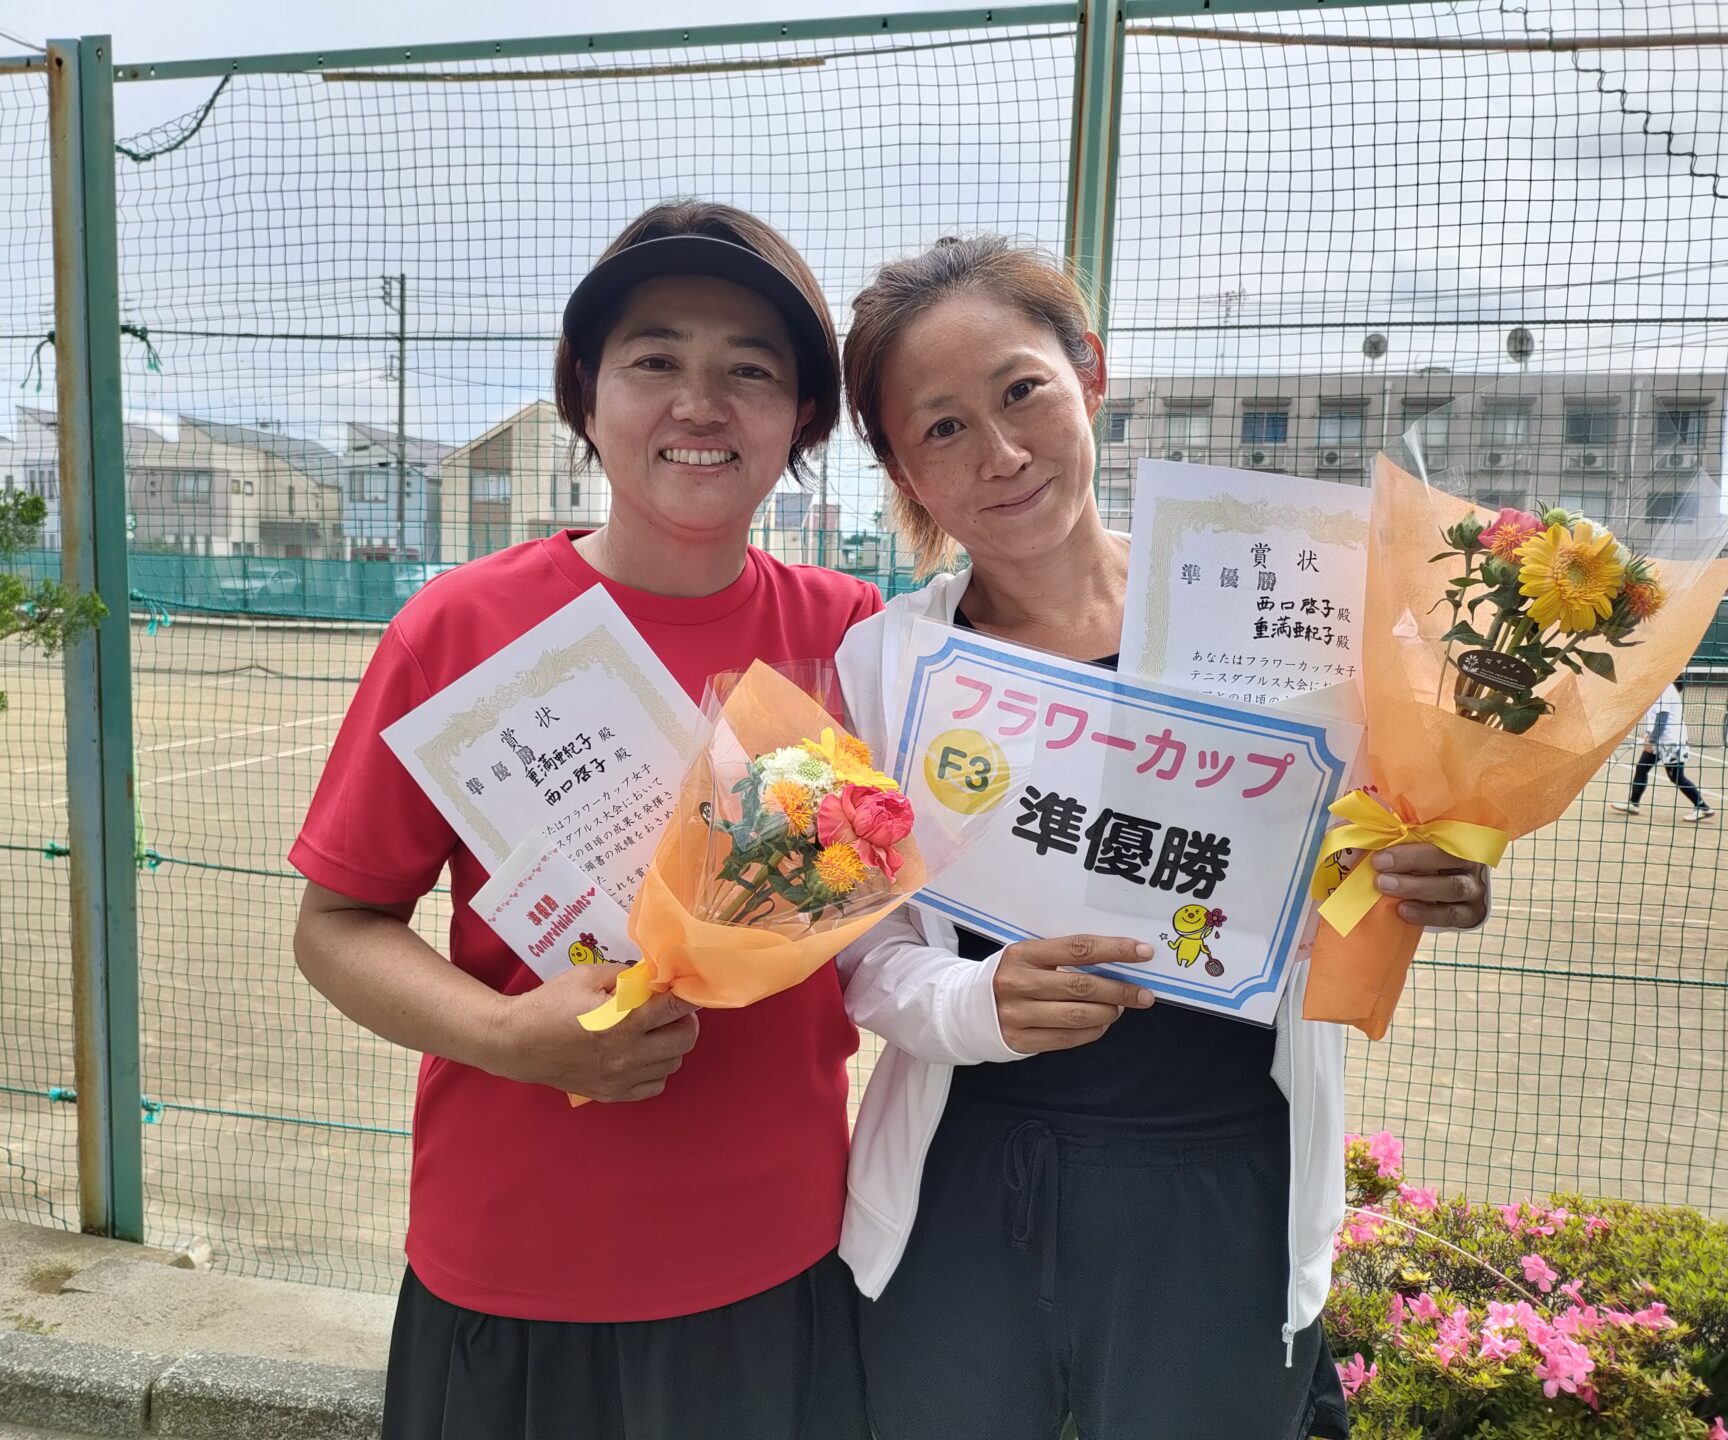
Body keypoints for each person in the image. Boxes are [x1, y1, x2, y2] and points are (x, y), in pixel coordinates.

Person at [830, 236, 1492, 1440]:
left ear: (1090, 372)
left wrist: (1431, 869)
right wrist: (975, 1003)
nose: (1000, 453)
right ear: (901, 468)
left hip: (1224, 1172)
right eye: (943, 428)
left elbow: (1358, 860)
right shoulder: (883, 666)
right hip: (967, 1176)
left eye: (1022, 391)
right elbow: (862, 954)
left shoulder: (1279, 613)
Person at [290, 201, 879, 1440]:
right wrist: (510, 1035)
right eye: (655, 359)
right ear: (586, 395)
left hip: (778, 1259)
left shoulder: (854, 635)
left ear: (803, 418)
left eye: (751, 371)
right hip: (514, 1261)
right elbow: (337, 925)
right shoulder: (460, 631)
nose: (700, 404)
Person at [1611, 679, 1713, 821]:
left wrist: (1652, 740)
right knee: (1642, 768)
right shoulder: (1657, 688)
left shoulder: (1666, 689)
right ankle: (1633, 804)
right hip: (1659, 740)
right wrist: (1648, 734)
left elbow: (1662, 719)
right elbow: (1654, 717)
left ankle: (1703, 808)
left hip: (1671, 742)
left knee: (1677, 777)